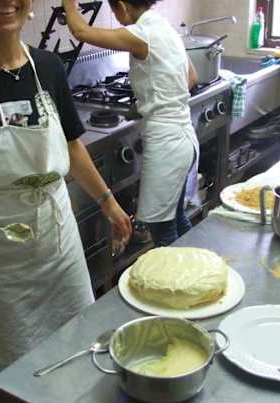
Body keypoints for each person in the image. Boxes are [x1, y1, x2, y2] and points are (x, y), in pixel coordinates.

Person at [0, 0, 132, 371]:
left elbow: (71, 146)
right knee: (14, 367)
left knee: (76, 344)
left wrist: (108, 203)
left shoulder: (49, 67)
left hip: (58, 239)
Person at [63, 0, 199, 247]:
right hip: (184, 138)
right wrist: (150, 102)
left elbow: (81, 31)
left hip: (166, 144)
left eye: (114, 10)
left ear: (122, 6)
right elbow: (191, 77)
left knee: (163, 231)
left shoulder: (141, 34)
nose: (116, 16)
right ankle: (197, 267)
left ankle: (182, 271)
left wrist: (67, 4)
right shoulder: (166, 28)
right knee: (177, 220)